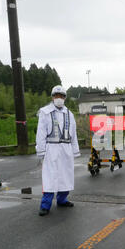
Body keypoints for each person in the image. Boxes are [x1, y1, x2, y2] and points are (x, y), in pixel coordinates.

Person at [36, 85, 81, 216]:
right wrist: (41, 151)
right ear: (52, 97)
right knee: (50, 176)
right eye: (56, 96)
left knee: (65, 175)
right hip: (51, 148)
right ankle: (45, 205)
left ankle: (62, 199)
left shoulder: (69, 114)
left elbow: (73, 133)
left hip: (66, 149)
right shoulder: (45, 112)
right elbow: (41, 134)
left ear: (65, 98)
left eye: (61, 96)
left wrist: (75, 150)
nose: (59, 98)